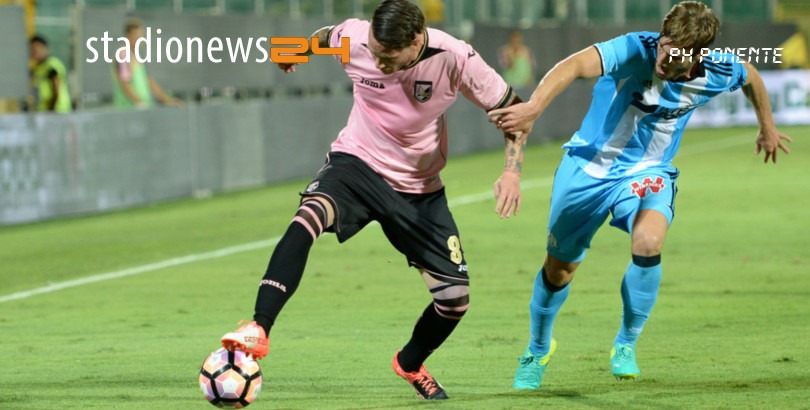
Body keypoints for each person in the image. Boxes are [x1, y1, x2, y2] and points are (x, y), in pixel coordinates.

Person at [220, 0, 525, 401]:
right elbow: (324, 37)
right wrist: (294, 52)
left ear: (416, 40)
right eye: (375, 53)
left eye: (388, 57)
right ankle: (259, 327)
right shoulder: (356, 38)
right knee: (308, 216)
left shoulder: (456, 57)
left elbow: (513, 110)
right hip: (357, 163)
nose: (378, 63)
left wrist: (512, 171)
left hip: (419, 188)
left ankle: (410, 363)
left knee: (454, 301)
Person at [488, 1, 793, 389]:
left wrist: (767, 126)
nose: (665, 60)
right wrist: (533, 107)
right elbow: (574, 65)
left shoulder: (718, 69)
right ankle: (537, 348)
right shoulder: (635, 48)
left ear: (699, 55)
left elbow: (751, 75)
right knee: (559, 270)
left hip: (648, 171)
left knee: (649, 242)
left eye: (677, 56)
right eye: (665, 47)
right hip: (587, 169)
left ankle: (626, 343)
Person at [112, 18, 182, 108]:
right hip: (128, 109)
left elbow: (149, 81)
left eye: (141, 35)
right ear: (127, 36)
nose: (140, 39)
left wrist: (167, 100)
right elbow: (125, 83)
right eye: (136, 35)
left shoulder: (136, 57)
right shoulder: (123, 55)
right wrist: (139, 103)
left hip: (139, 109)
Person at [29, 35, 71, 113]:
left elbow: (56, 89)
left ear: (45, 48)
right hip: (43, 111)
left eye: (37, 48)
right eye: (32, 49)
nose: (34, 52)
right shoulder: (37, 68)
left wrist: (51, 109)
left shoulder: (51, 65)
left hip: (56, 110)